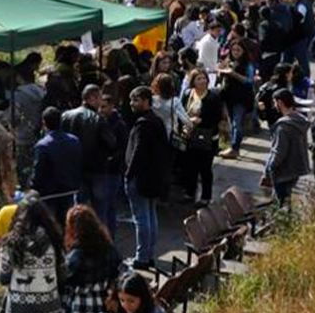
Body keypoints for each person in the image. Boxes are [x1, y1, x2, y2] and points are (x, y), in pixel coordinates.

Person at [125, 87, 170, 270]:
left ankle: (142, 257)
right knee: (150, 216)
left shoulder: (143, 124)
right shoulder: (157, 121)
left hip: (140, 178)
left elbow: (138, 151)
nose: (131, 104)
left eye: (135, 100)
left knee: (141, 218)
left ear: (145, 100)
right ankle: (148, 254)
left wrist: (129, 174)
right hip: (153, 177)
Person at [62, 84, 119, 220]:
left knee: (78, 210)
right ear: (92, 98)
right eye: (99, 97)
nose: (101, 101)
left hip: (76, 169)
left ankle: (79, 237)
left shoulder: (66, 116)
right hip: (97, 169)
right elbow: (112, 143)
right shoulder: (98, 119)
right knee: (100, 211)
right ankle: (100, 238)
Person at [179, 69, 224, 206]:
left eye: (204, 78)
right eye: (199, 79)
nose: (202, 81)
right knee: (189, 166)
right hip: (189, 135)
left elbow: (217, 117)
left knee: (205, 168)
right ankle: (189, 192)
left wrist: (201, 120)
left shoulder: (213, 97)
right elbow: (181, 111)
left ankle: (206, 196)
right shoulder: (188, 94)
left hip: (207, 137)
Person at [32, 107, 83, 220]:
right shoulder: (74, 140)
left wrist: (33, 186)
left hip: (50, 193)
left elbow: (38, 170)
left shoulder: (42, 145)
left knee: (52, 225)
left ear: (44, 123)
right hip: (70, 190)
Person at [262, 90, 310, 207]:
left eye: (275, 102)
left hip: (283, 171)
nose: (274, 106)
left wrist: (269, 168)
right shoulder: (299, 121)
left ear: (280, 102)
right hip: (295, 168)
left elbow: (278, 151)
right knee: (286, 202)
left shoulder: (283, 127)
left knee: (281, 204)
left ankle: (283, 223)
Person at [217, 40, 256, 160]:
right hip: (229, 96)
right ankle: (230, 145)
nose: (236, 52)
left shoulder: (247, 65)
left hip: (241, 98)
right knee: (231, 121)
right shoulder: (228, 61)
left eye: (238, 50)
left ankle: (235, 148)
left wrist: (233, 74)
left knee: (236, 123)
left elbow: (249, 81)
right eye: (233, 50)